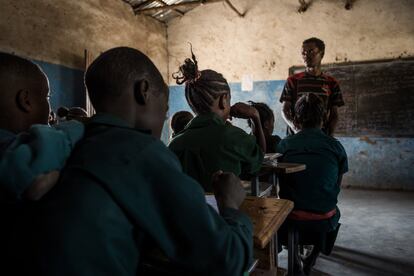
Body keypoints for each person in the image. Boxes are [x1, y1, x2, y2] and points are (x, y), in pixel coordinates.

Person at [21, 47, 253, 276]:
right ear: (143, 91)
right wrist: (231, 205)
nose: (163, 119)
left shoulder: (69, 140)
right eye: (164, 110)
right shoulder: (141, 151)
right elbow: (226, 258)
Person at [168, 50, 265, 192]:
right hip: (223, 212)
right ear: (224, 100)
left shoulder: (174, 143)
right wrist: (255, 116)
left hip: (186, 212)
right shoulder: (232, 136)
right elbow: (258, 158)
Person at [276, 93, 348, 275]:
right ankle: (313, 257)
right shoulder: (335, 146)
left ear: (295, 118)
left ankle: (294, 258)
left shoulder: (284, 145)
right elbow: (336, 186)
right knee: (333, 211)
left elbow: (278, 182)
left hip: (291, 218)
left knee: (282, 210)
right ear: (325, 117)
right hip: (324, 219)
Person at [0, 52, 84, 202]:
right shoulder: (8, 150)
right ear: (26, 101)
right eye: (47, 97)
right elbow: (34, 177)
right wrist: (78, 126)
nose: (50, 110)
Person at [280, 37, 345, 136]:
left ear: (321, 54)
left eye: (311, 52)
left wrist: (330, 136)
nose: (306, 56)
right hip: (296, 138)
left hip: (321, 137)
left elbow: (334, 114)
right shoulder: (293, 81)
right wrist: (294, 127)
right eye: (304, 53)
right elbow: (284, 110)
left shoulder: (331, 83)